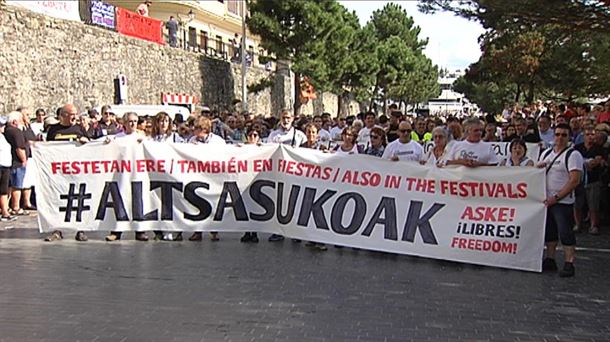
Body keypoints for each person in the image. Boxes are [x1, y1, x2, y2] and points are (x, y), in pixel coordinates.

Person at [537, 123, 583, 277]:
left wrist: (556, 197)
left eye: (564, 135)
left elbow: (574, 180)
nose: (560, 138)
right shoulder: (545, 154)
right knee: (550, 232)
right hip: (546, 200)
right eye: (557, 134)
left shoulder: (573, 155)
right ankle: (550, 259)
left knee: (565, 232)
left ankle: (569, 262)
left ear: (569, 137)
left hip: (562, 201)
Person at [44, 104, 90, 242]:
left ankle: (80, 230)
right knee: (57, 199)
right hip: (59, 172)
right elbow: (47, 148)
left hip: (76, 171)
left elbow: (90, 145)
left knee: (79, 200)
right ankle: (57, 230)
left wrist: (85, 141)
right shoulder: (53, 130)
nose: (75, 117)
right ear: (63, 115)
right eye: (72, 114)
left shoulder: (79, 129)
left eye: (75, 114)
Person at [105, 113, 149, 242]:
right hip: (121, 174)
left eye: (135, 121)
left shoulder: (142, 138)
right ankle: (116, 231)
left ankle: (140, 230)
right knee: (120, 200)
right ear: (124, 123)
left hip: (138, 174)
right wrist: (105, 142)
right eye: (130, 121)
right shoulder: (117, 138)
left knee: (138, 200)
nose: (133, 124)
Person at [266, 110, 306, 242]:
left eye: (288, 117)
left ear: (293, 118)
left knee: (295, 202)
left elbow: (307, 152)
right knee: (279, 203)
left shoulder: (299, 135)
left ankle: (296, 233)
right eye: (284, 117)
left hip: (295, 173)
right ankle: (279, 231)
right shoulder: (274, 134)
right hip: (278, 173)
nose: (286, 120)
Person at [187, 116, 226, 242]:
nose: (193, 130)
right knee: (197, 204)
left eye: (196, 128)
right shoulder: (192, 140)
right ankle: (197, 231)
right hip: (197, 176)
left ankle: (214, 231)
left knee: (213, 203)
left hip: (213, 177)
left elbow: (224, 156)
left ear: (204, 129)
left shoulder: (218, 141)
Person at [150, 112, 184, 241]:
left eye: (166, 121)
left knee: (174, 202)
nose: (163, 124)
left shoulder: (175, 138)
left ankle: (176, 230)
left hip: (172, 174)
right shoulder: (152, 139)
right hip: (157, 175)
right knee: (158, 202)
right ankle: (160, 230)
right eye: (161, 121)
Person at [573, 128, 606, 235]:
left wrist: (586, 162)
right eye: (587, 134)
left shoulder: (599, 148)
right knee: (577, 205)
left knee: (593, 206)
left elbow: (596, 162)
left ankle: (593, 226)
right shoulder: (577, 148)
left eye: (592, 134)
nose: (590, 137)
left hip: (593, 180)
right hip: (579, 180)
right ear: (583, 136)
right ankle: (578, 224)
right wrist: (588, 162)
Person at [3, 111, 29, 217]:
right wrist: (23, 160)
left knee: (9, 187)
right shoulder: (16, 132)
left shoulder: (6, 131)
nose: (22, 122)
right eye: (21, 120)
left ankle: (7, 206)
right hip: (17, 162)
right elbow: (19, 148)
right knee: (17, 186)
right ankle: (16, 207)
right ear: (15, 121)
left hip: (9, 162)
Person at [239, 127, 263, 243]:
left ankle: (255, 232)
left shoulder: (264, 148)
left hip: (258, 181)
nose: (253, 138)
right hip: (244, 182)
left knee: (255, 207)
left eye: (255, 135)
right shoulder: (242, 148)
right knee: (246, 207)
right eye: (250, 135)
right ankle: (247, 231)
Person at [0, 116, 15, 222]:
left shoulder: (2, 136)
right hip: (1, 166)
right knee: (2, 190)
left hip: (5, 166)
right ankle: (4, 211)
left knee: (4, 190)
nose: (3, 127)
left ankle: (5, 211)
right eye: (1, 125)